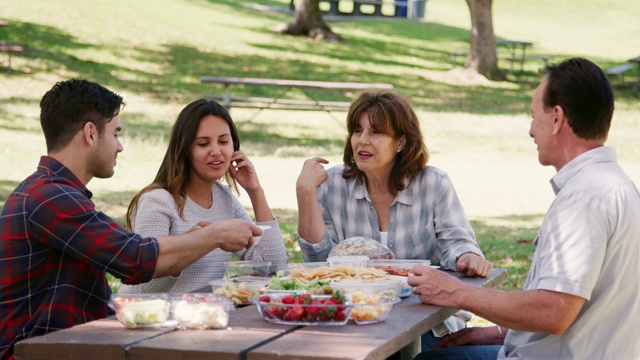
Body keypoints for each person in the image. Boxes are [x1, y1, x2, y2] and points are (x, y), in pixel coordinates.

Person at [0, 79, 262, 359]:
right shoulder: (49, 198)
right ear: (90, 133)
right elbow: (136, 259)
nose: (120, 146)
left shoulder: (54, 193)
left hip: (73, 347)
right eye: (116, 133)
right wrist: (215, 236)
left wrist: (195, 240)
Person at [409, 58, 640, 360]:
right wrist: (498, 332)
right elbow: (587, 308)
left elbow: (553, 311)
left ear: (557, 118)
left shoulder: (584, 197)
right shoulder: (618, 186)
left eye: (534, 116)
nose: (531, 130)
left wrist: (454, 291)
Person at [295, 89, 494, 350]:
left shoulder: (434, 183)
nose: (362, 140)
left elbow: (457, 243)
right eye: (357, 130)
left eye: (375, 132)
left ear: (400, 142)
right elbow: (319, 266)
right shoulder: (333, 185)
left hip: (427, 323)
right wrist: (305, 193)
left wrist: (467, 257)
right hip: (356, 320)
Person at [118, 99, 287, 294]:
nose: (216, 152)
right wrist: (197, 243)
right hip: (149, 317)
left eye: (223, 142)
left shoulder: (224, 197)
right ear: (186, 150)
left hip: (204, 315)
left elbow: (273, 267)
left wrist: (255, 191)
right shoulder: (157, 201)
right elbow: (145, 286)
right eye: (203, 143)